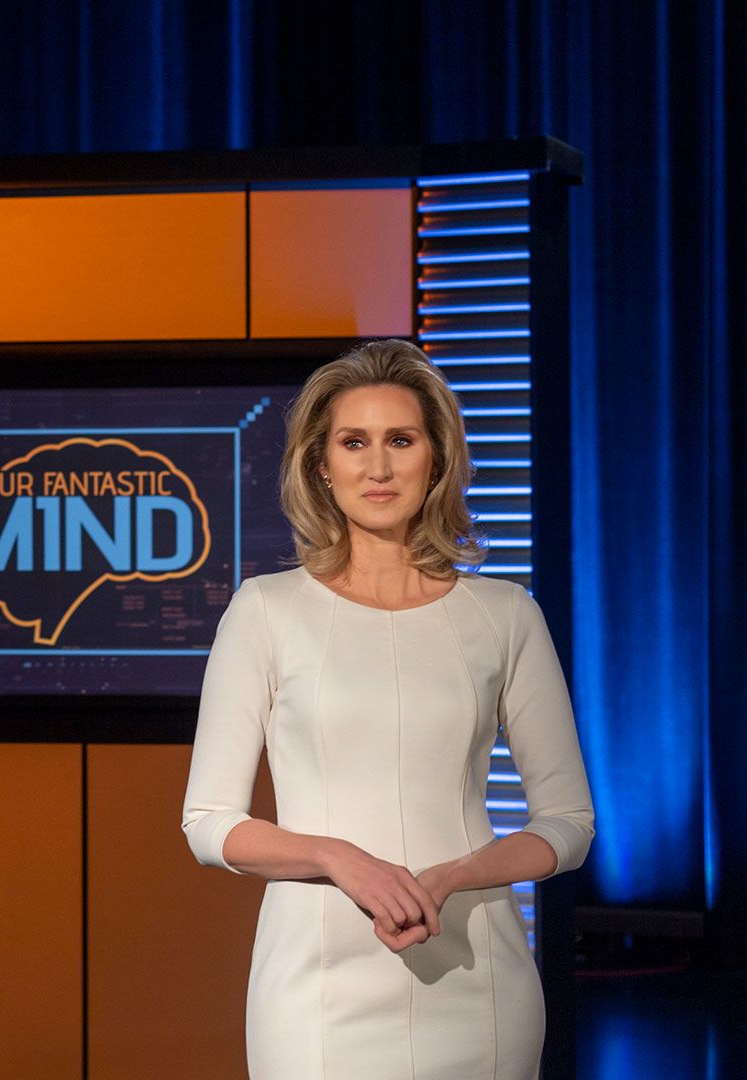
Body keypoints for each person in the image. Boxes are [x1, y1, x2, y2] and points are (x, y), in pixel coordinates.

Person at [180, 339, 595, 1079]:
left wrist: (449, 877)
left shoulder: (505, 614)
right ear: (320, 464)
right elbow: (209, 824)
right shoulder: (264, 612)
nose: (378, 467)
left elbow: (567, 825)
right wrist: (340, 860)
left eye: (400, 440)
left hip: (476, 972)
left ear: (435, 458)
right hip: (316, 985)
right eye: (354, 442)